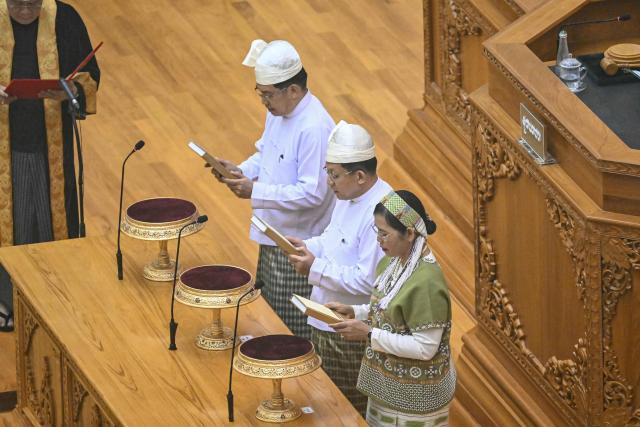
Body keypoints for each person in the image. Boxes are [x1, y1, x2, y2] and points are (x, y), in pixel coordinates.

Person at [211, 39, 335, 339]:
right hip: (273, 231)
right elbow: (266, 152)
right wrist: (240, 171)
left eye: (267, 95)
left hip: (298, 240)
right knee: (270, 304)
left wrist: (254, 191)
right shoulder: (278, 111)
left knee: (292, 320)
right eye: (260, 94)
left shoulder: (314, 128)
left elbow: (312, 193)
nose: (263, 102)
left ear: (292, 90)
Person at [0, 0, 100, 332]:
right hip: (4, 145)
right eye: (18, 4)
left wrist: (68, 90)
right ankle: (6, 302)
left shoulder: (66, 18)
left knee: (48, 219)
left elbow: (90, 76)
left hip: (51, 145)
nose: (26, 10)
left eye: (33, 3)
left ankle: (56, 298)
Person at [286, 121, 392, 415]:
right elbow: (332, 239)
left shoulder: (382, 212)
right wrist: (308, 248)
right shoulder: (347, 196)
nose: (328, 182)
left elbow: (367, 282)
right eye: (327, 173)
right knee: (324, 401)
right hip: (327, 316)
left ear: (359, 175)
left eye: (334, 175)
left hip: (351, 329)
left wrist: (314, 268)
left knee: (347, 409)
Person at [328, 190, 456, 426]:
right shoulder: (393, 260)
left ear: (409, 233)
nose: (379, 240)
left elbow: (425, 348)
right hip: (387, 389)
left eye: (385, 234)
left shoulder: (426, 281)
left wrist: (367, 333)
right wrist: (356, 311)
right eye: (378, 231)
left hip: (414, 401)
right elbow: (390, 308)